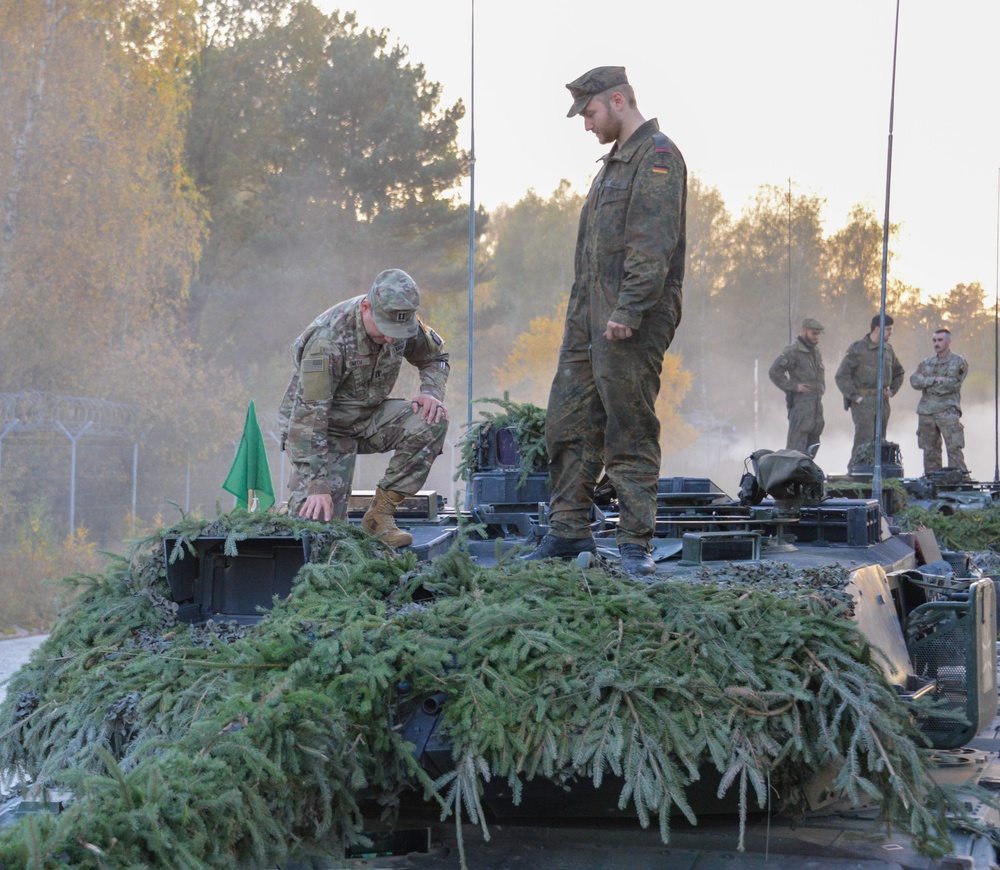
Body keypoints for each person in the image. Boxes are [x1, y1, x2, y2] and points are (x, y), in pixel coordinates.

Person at [525, 66, 687, 577]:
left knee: (628, 428)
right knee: (568, 421)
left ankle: (635, 544)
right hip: (589, 318)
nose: (586, 124)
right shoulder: (612, 166)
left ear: (618, 101)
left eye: (590, 113)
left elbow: (652, 245)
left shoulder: (657, 157)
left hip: (629, 319)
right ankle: (569, 530)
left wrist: (629, 310)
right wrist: (586, 317)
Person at [278, 269, 450, 547]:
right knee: (319, 533)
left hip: (367, 417)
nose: (393, 340)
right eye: (385, 331)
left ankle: (380, 516)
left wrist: (431, 393)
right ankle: (295, 506)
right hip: (322, 431)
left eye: (399, 333)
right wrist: (316, 484)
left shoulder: (400, 321)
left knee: (430, 420)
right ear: (367, 308)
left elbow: (436, 356)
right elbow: (308, 419)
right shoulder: (328, 341)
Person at [834, 314, 905, 473]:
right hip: (864, 402)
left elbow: (899, 372)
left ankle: (876, 474)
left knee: (880, 441)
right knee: (863, 442)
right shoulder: (858, 349)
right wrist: (855, 397)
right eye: (887, 330)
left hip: (882, 402)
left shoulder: (888, 350)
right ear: (877, 329)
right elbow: (842, 376)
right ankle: (857, 473)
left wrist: (892, 390)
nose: (890, 333)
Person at [909, 328, 968, 474]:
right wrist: (935, 380)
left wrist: (926, 382)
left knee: (954, 449)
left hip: (947, 411)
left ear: (949, 341)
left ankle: (957, 481)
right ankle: (933, 482)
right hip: (926, 412)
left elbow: (952, 384)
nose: (936, 343)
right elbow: (914, 381)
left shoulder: (958, 362)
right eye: (934, 340)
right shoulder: (926, 362)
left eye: (940, 340)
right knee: (930, 451)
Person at [768, 318, 826, 457]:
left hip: (816, 405)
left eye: (818, 334)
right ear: (803, 331)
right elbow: (774, 372)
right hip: (801, 404)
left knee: (813, 443)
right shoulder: (793, 351)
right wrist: (794, 386)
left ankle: (807, 473)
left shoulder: (815, 352)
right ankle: (792, 476)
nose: (816, 337)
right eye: (814, 333)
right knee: (796, 448)